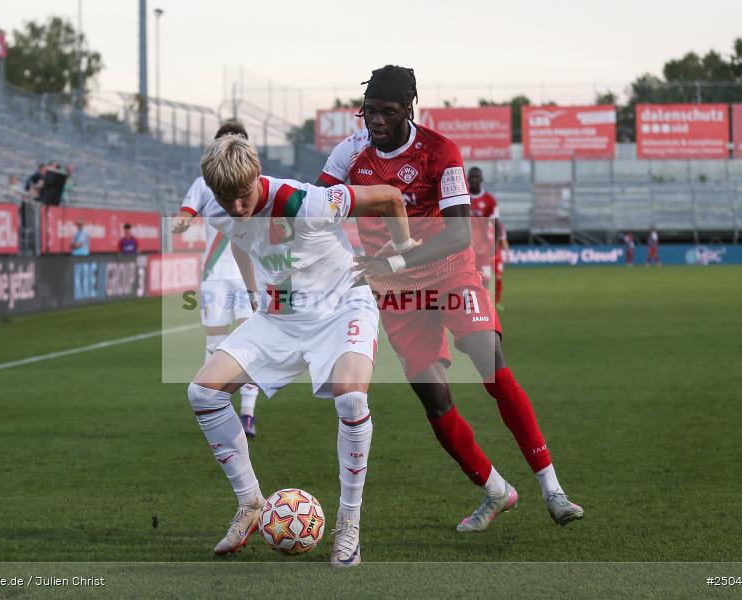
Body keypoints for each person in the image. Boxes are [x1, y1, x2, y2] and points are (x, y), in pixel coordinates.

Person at [318, 65, 583, 531]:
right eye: (367, 112)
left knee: (491, 363)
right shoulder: (349, 153)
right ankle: (496, 491)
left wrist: (392, 263)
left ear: (408, 109)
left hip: (448, 275)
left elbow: (460, 233)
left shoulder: (440, 151)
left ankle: (553, 489)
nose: (374, 121)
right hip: (397, 294)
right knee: (435, 402)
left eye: (386, 112)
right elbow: (317, 210)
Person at [187, 134, 416, 567]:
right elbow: (240, 239)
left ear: (256, 176)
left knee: (351, 398)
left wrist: (401, 257)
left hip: (341, 305)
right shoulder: (226, 208)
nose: (235, 207)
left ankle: (349, 525)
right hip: (281, 317)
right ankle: (250, 503)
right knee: (203, 392)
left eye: (241, 196)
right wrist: (255, 292)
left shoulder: (308, 202)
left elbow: (390, 197)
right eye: (224, 198)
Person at [174, 123, 261, 438]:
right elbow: (186, 211)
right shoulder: (203, 184)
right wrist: (182, 222)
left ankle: (248, 414)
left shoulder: (257, 184)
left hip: (246, 274)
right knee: (214, 343)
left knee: (248, 343)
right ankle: (212, 409)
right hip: (214, 275)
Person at [468, 167, 508, 306]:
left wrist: (494, 248)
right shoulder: (464, 198)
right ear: (467, 179)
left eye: (476, 177)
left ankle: (486, 308)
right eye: (471, 177)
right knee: (467, 279)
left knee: (484, 280)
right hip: (467, 248)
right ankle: (471, 308)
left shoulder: (490, 200)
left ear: (481, 179)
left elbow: (497, 225)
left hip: (484, 249)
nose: (473, 180)